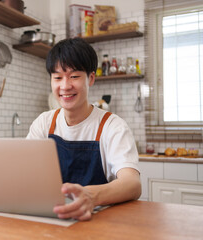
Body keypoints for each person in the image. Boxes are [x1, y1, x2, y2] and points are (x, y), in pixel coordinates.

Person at [26, 38, 141, 221]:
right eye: (57, 77)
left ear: (91, 78)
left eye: (74, 76)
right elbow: (26, 171)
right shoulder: (44, 123)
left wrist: (91, 196)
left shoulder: (112, 126)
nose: (65, 86)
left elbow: (132, 184)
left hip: (98, 221)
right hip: (53, 218)